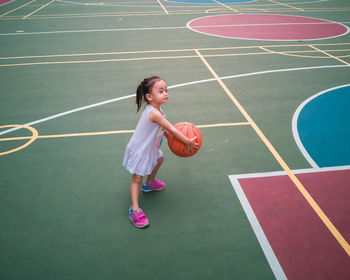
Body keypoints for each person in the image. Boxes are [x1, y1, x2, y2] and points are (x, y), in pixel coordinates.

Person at [123, 76, 198, 228]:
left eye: (166, 90)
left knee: (159, 159)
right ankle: (134, 209)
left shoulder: (158, 109)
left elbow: (162, 129)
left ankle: (149, 184)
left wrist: (170, 138)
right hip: (141, 150)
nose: (165, 93)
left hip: (151, 148)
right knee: (137, 178)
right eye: (161, 91)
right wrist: (186, 141)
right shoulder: (154, 113)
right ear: (149, 97)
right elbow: (170, 128)